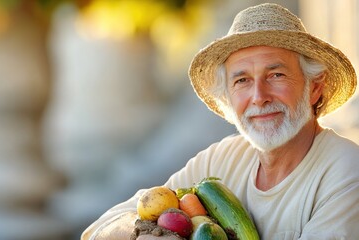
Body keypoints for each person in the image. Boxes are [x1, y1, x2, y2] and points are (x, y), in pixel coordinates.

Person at [82, 3, 359, 239]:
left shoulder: (346, 171)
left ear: (315, 87)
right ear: (227, 97)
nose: (258, 97)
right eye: (242, 81)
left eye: (276, 75)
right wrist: (143, 232)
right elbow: (98, 229)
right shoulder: (222, 159)